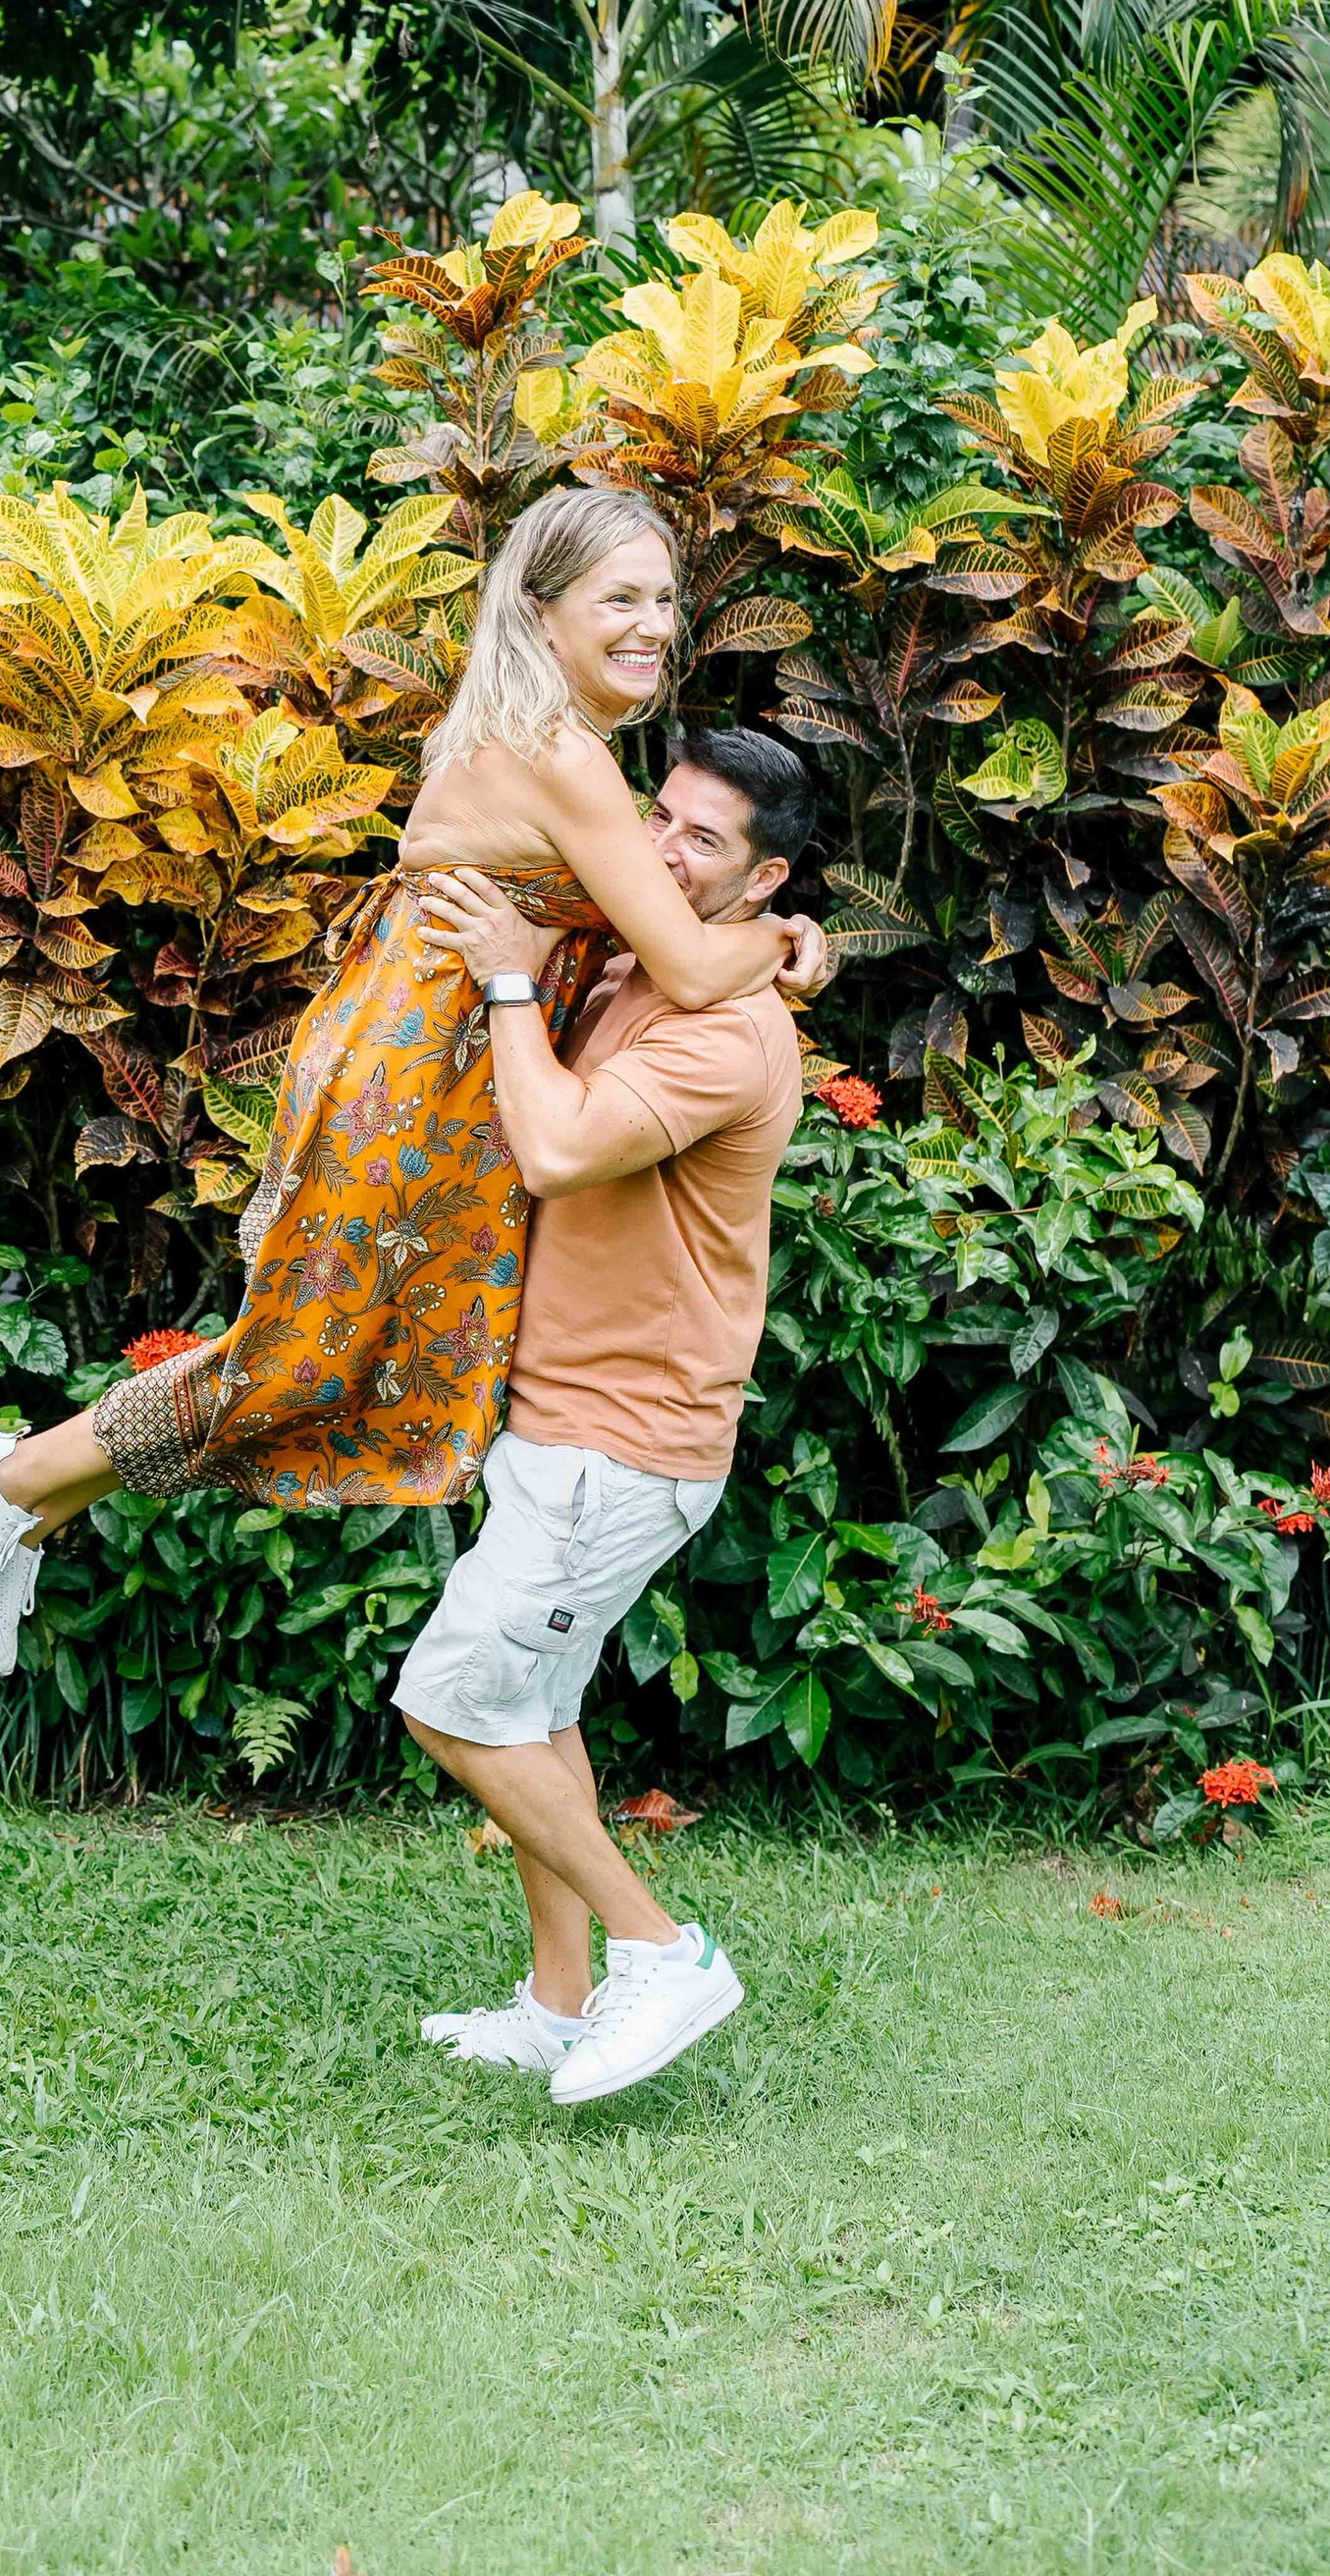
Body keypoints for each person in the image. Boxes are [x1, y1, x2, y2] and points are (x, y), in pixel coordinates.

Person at [0, 486, 830, 1674]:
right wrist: (791, 943)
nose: (651, 623)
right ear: (542, 609)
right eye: (619, 598)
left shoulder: (543, 738)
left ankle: (27, 1501)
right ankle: (7, 1474)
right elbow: (691, 961)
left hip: (431, 1066)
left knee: (341, 1351)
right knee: (306, 1351)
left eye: (663, 598)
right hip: (421, 1076)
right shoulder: (563, 756)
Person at [396, 723, 814, 2108]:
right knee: (538, 1705)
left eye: (706, 841)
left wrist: (510, 982)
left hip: (621, 1444)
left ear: (766, 880)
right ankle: (558, 2003)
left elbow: (562, 1147)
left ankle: (662, 1951)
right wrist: (816, 942)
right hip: (566, 1421)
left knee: (458, 1703)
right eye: (662, 815)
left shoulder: (727, 1037)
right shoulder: (657, 955)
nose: (662, 848)